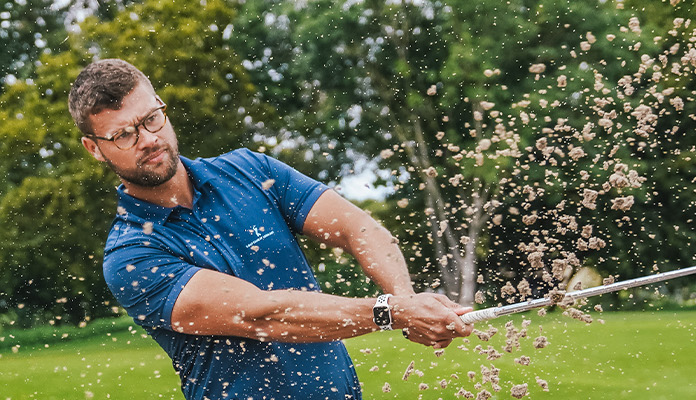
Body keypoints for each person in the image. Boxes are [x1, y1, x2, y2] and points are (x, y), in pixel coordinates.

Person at [72, 58, 474, 399]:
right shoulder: (130, 256)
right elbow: (262, 316)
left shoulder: (251, 171)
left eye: (151, 119)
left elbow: (358, 227)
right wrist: (394, 313)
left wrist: (404, 300)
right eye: (124, 134)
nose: (148, 139)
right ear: (95, 148)